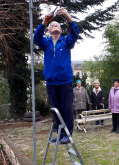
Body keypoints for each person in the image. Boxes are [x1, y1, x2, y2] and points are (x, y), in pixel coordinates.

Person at [34, 7, 79, 144]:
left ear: (61, 30)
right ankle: (59, 134)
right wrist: (43, 23)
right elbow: (36, 38)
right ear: (48, 30)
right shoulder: (46, 43)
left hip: (65, 81)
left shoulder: (66, 41)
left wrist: (68, 17)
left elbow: (75, 34)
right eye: (52, 25)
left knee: (66, 109)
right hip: (51, 82)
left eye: (57, 25)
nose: (55, 26)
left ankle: (67, 135)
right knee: (55, 111)